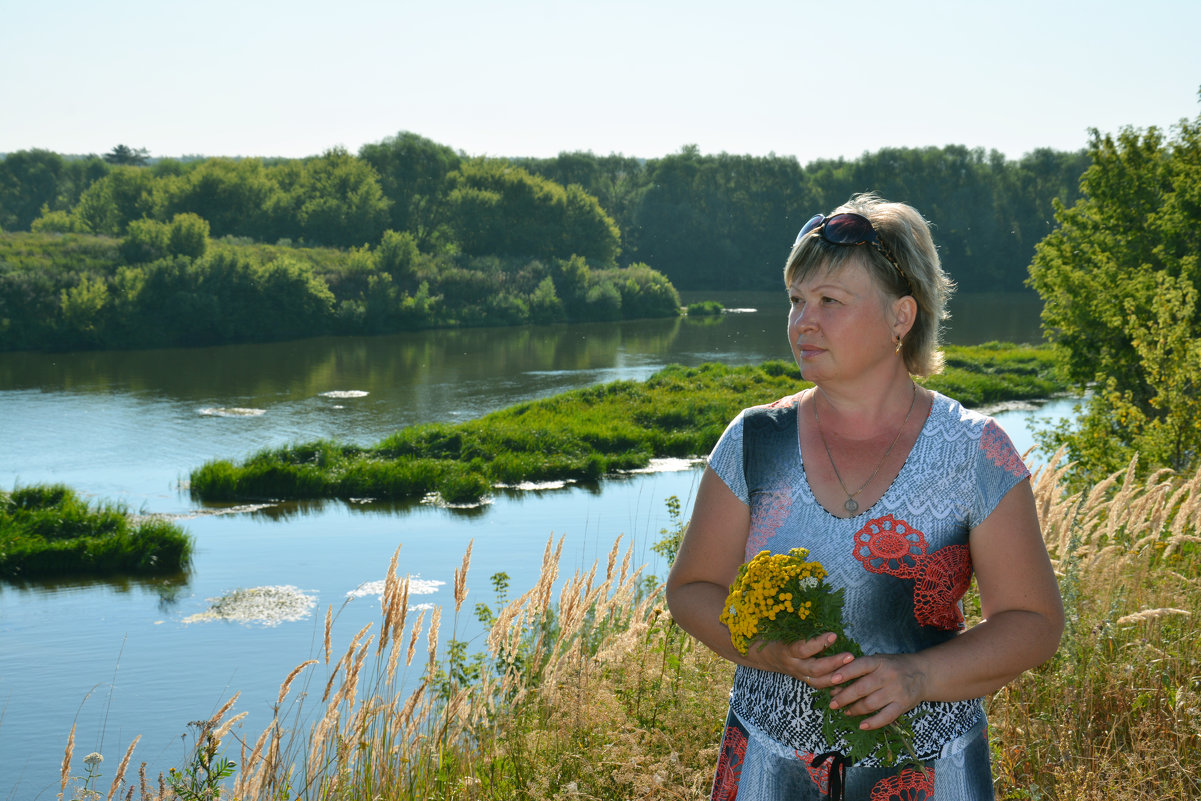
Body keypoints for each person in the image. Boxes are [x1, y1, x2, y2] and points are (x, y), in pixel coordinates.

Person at [665, 193, 1064, 800]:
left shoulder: (974, 451)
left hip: (931, 773)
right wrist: (772, 653)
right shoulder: (754, 440)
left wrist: (918, 676)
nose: (803, 321)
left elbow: (1034, 624)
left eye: (830, 301)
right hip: (771, 769)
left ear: (901, 318)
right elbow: (691, 591)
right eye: (796, 300)